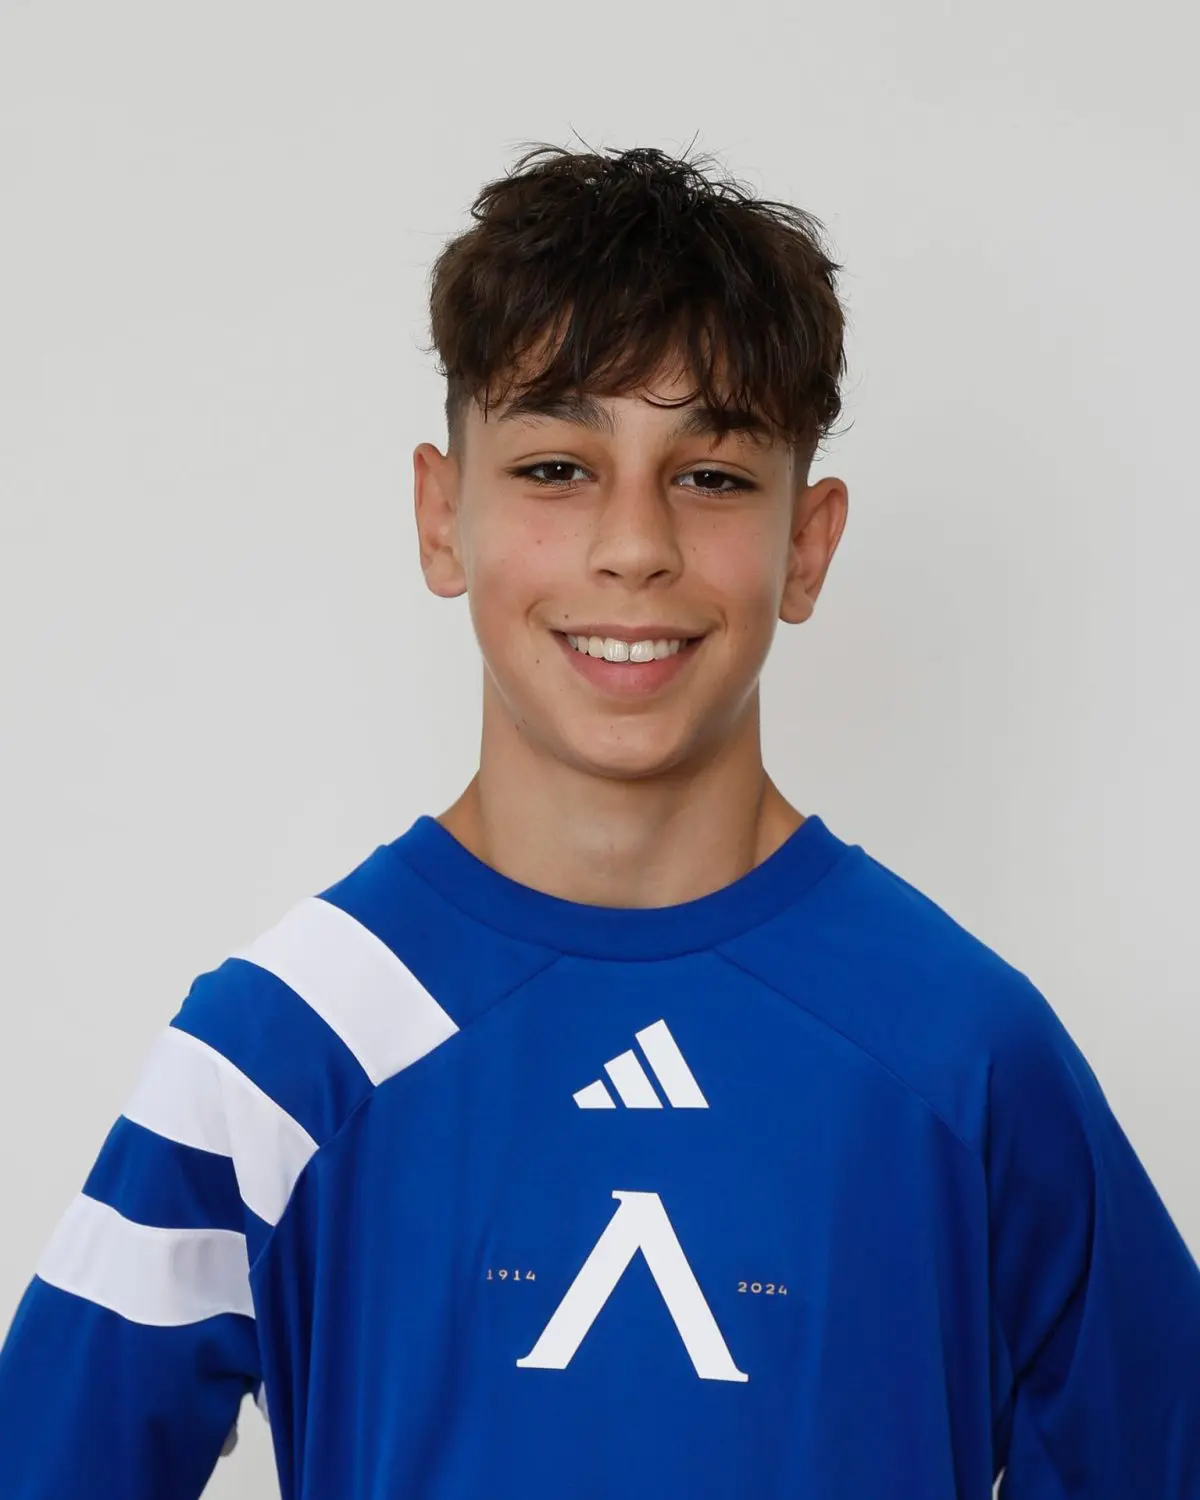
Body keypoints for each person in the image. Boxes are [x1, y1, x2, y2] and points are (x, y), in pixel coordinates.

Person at [1, 141, 1197, 1500]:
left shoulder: (964, 1051)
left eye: (713, 476)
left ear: (809, 545)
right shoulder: (285, 1046)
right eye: (559, 467)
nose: (635, 546)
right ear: (440, 517)